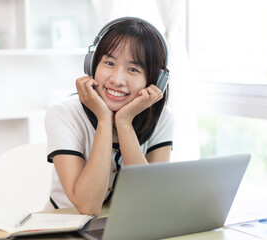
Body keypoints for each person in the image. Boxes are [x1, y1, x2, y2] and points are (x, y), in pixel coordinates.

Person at [44, 17, 174, 216]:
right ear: (91, 65)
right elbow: (87, 207)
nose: (117, 79)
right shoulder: (63, 115)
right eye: (109, 63)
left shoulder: (162, 118)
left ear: (154, 81)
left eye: (133, 69)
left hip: (123, 226)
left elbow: (150, 201)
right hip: (63, 228)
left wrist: (124, 122)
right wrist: (104, 120)